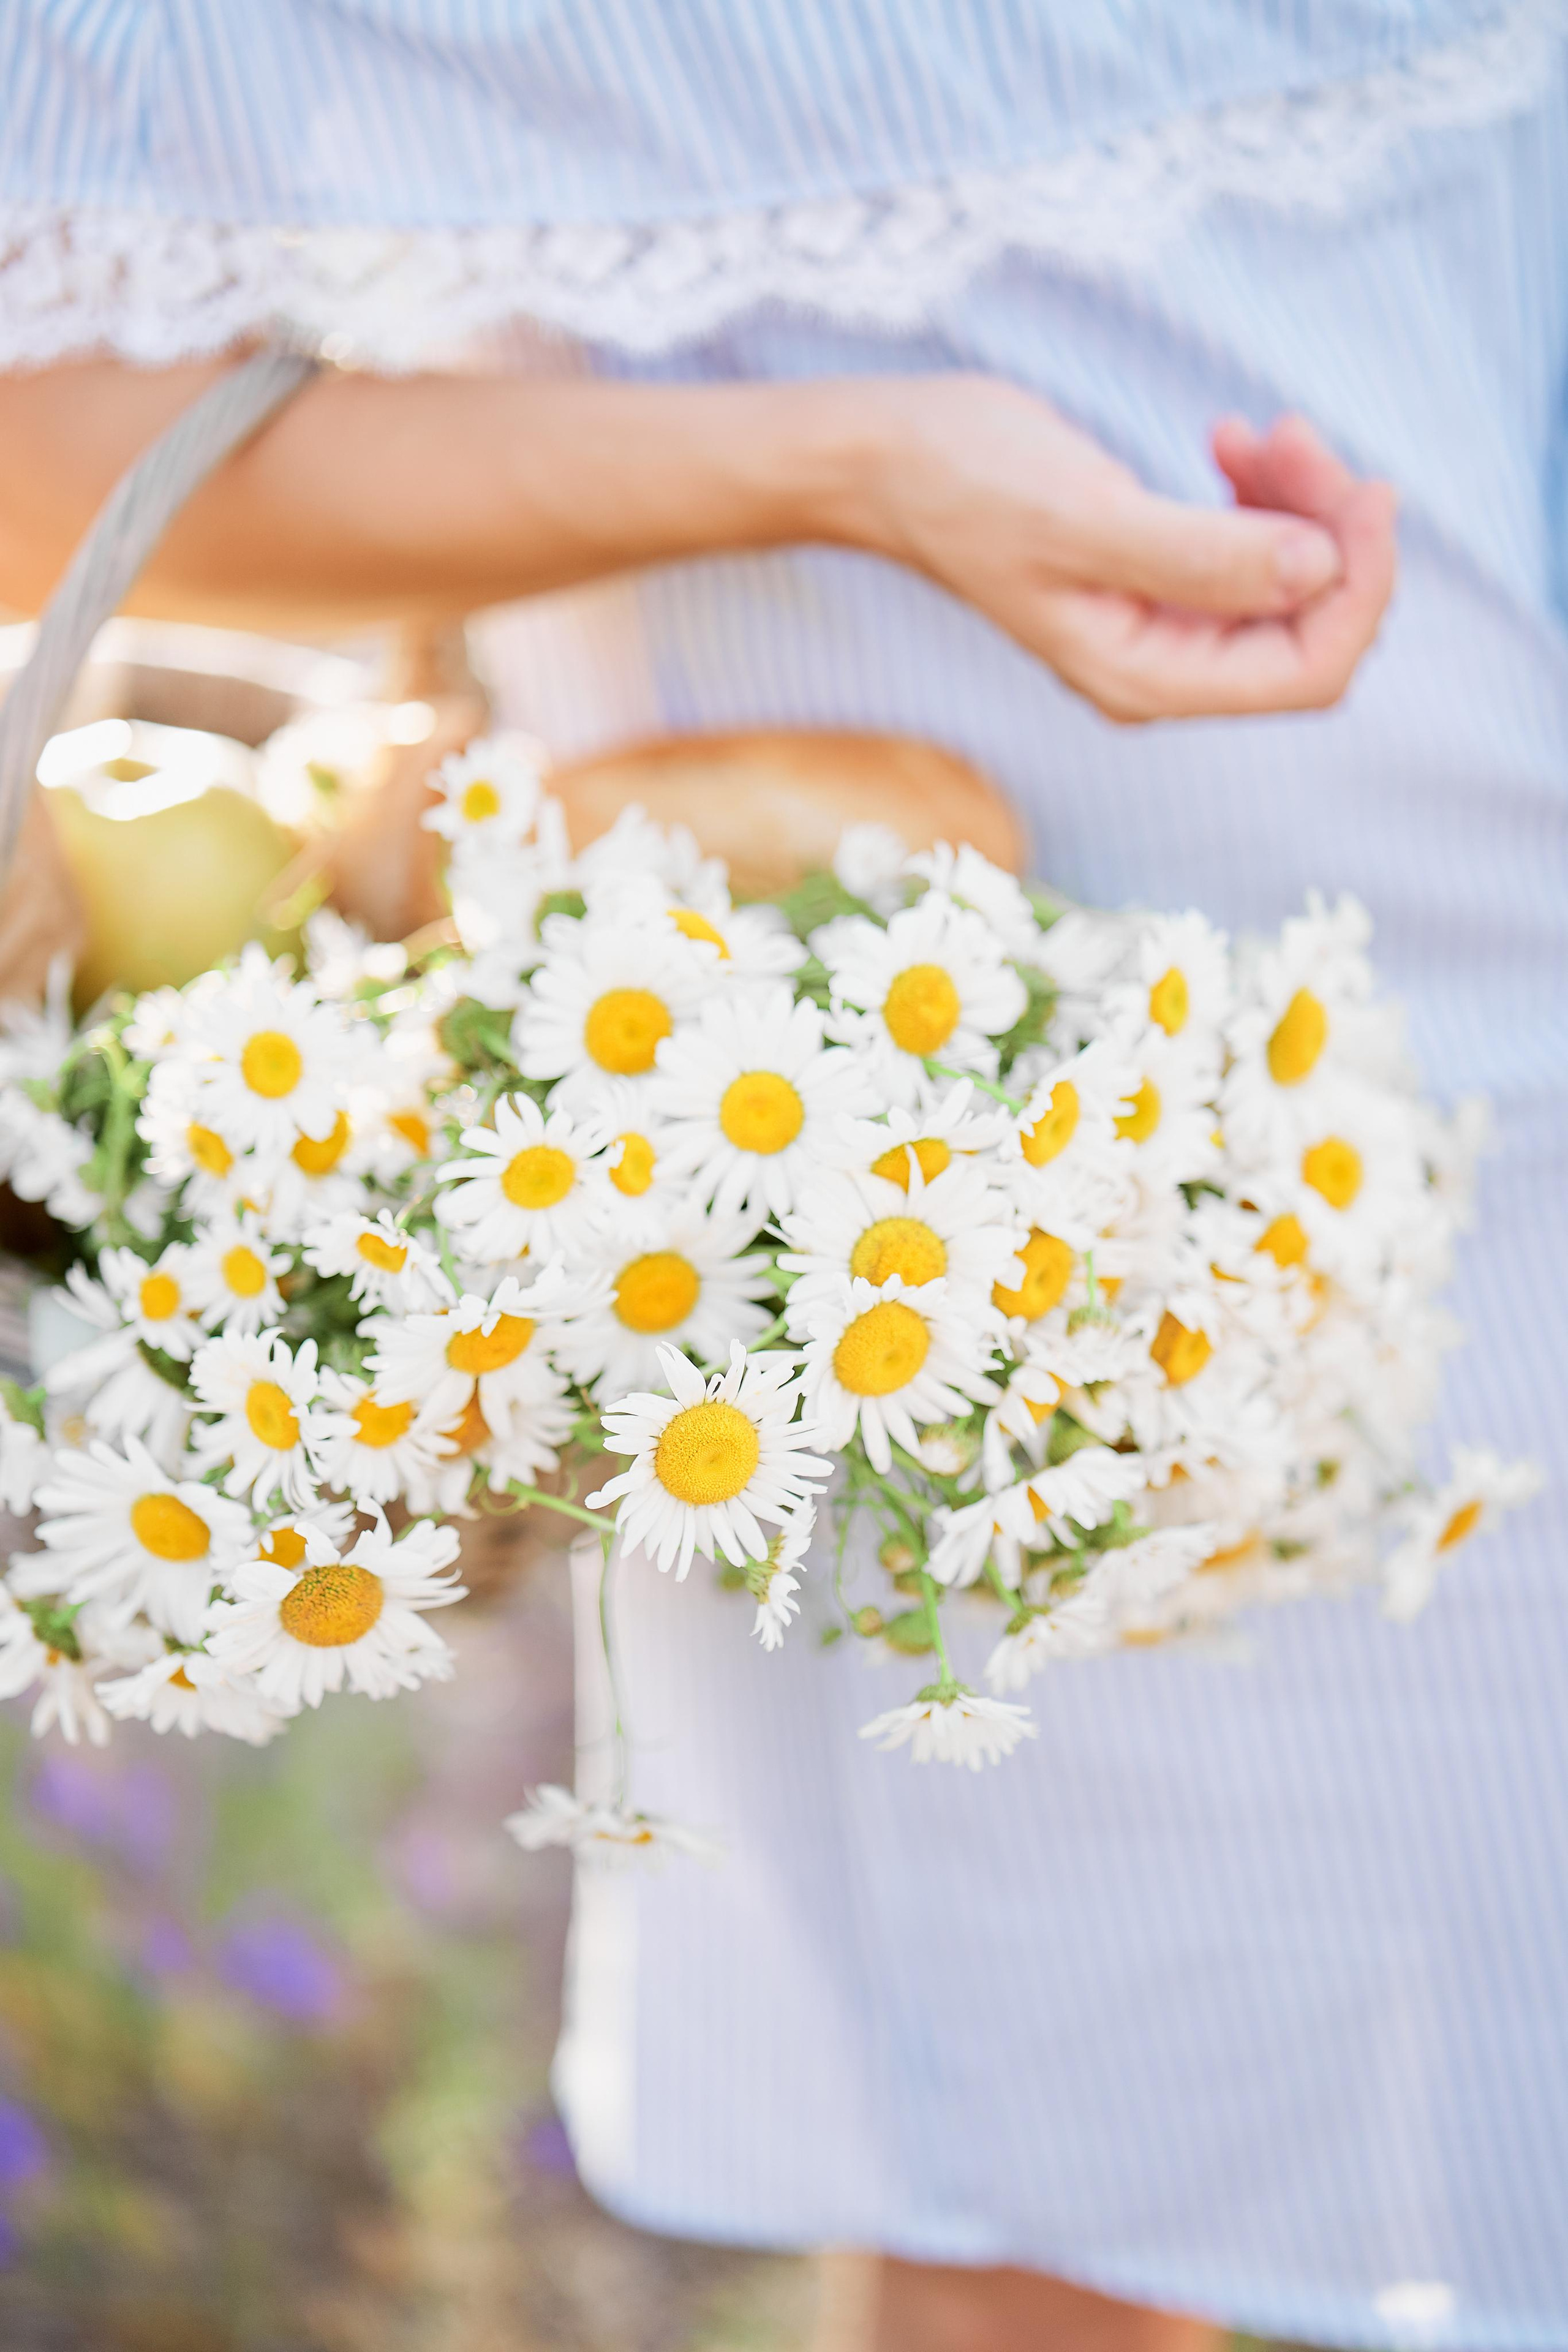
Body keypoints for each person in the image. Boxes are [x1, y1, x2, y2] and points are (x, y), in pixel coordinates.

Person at [0, 7, 1563, 2346]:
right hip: (1028, 1124)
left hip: (1443, 890)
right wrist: (853, 465)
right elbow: (55, 439)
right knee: (1103, 2185)